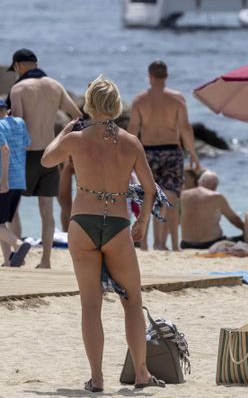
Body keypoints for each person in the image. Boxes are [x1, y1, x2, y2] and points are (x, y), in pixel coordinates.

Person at [42, 76, 164, 392]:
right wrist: (143, 222)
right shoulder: (130, 142)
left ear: (89, 104)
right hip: (118, 226)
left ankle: (96, 378)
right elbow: (150, 189)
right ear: (116, 105)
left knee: (90, 304)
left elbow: (46, 159)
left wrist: (63, 133)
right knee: (132, 302)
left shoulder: (76, 139)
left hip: (83, 223)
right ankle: (141, 373)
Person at [7, 48, 82, 268]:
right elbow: (77, 115)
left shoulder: (18, 88)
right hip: (50, 153)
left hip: (25, 154)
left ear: (18, 66)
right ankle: (46, 260)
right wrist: (64, 142)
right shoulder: (55, 86)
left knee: (12, 206)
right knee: (47, 211)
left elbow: (18, 124)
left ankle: (17, 254)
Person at [128, 60, 199, 252]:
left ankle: (144, 244)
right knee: (172, 196)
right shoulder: (177, 98)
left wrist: (128, 155)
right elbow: (185, 128)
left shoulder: (139, 100)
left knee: (147, 196)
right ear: (166, 76)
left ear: (149, 76)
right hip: (171, 150)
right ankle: (173, 245)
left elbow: (133, 130)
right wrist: (193, 152)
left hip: (147, 152)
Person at [0, 98, 33, 267]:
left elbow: (4, 149)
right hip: (19, 180)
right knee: (4, 224)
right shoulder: (19, 122)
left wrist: (4, 179)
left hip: (2, 180)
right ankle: (8, 261)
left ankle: (19, 246)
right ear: (7, 110)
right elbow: (27, 144)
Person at [179, 171, 244, 249]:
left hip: (186, 244)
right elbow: (234, 219)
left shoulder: (183, 195)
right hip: (210, 243)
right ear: (215, 186)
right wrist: (246, 230)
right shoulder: (217, 197)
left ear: (199, 182)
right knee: (243, 238)